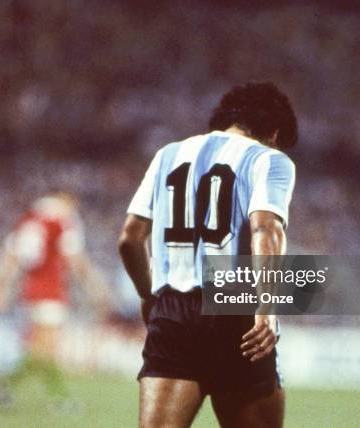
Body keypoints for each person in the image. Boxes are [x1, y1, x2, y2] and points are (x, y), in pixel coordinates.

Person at [119, 82, 298, 428]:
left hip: (172, 312)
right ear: (273, 133)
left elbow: (129, 239)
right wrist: (266, 309)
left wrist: (148, 296)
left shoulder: (167, 155)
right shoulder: (269, 160)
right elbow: (266, 230)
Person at [0, 192, 109, 405]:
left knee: (41, 348)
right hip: (51, 289)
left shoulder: (31, 217)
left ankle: (12, 388)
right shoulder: (62, 221)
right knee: (47, 348)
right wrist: (95, 286)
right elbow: (74, 259)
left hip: (31, 288)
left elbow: (12, 254)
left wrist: (0, 286)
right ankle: (53, 397)